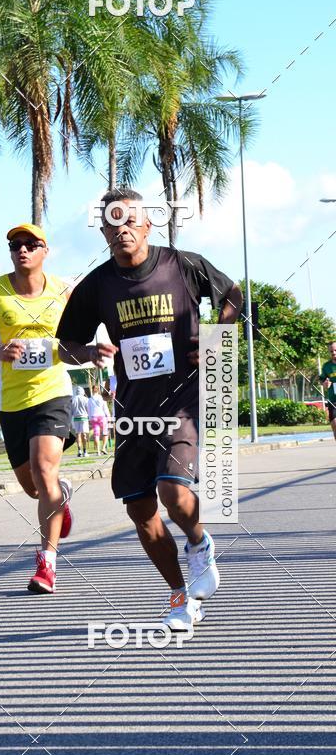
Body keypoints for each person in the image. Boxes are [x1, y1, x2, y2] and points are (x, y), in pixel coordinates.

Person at [57, 188, 243, 628]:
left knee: (173, 492)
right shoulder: (96, 285)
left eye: (129, 220)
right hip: (132, 409)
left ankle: (198, 542)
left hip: (183, 399)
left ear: (147, 224)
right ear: (103, 232)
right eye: (112, 222)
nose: (121, 229)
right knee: (140, 511)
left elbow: (234, 295)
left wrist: (216, 338)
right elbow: (65, 346)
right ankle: (181, 598)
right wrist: (90, 353)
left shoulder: (182, 265)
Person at [0, 223, 74, 594]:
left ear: (45, 250)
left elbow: (77, 339)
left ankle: (47, 564)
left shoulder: (63, 291)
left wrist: (89, 352)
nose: (22, 250)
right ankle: (59, 496)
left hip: (53, 393)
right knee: (34, 489)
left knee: (44, 471)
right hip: (12, 402)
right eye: (15, 245)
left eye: (31, 244)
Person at [320, 340, 336, 440]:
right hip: (333, 400)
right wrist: (325, 383)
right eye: (331, 351)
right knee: (334, 425)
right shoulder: (326, 366)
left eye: (335, 350)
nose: (333, 352)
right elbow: (322, 380)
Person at [87, 382, 109, 455]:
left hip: (94, 417)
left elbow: (89, 410)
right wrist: (108, 416)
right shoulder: (102, 398)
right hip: (102, 417)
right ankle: (103, 448)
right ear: (98, 390)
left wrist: (90, 419)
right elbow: (105, 408)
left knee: (96, 434)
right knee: (105, 433)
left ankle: (98, 451)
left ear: (92, 390)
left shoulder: (90, 399)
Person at [71, 385, 90, 457]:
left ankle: (79, 451)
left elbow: (71, 411)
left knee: (78, 434)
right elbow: (88, 409)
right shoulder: (86, 399)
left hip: (76, 418)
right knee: (84, 434)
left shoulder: (73, 399)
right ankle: (85, 451)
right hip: (84, 418)